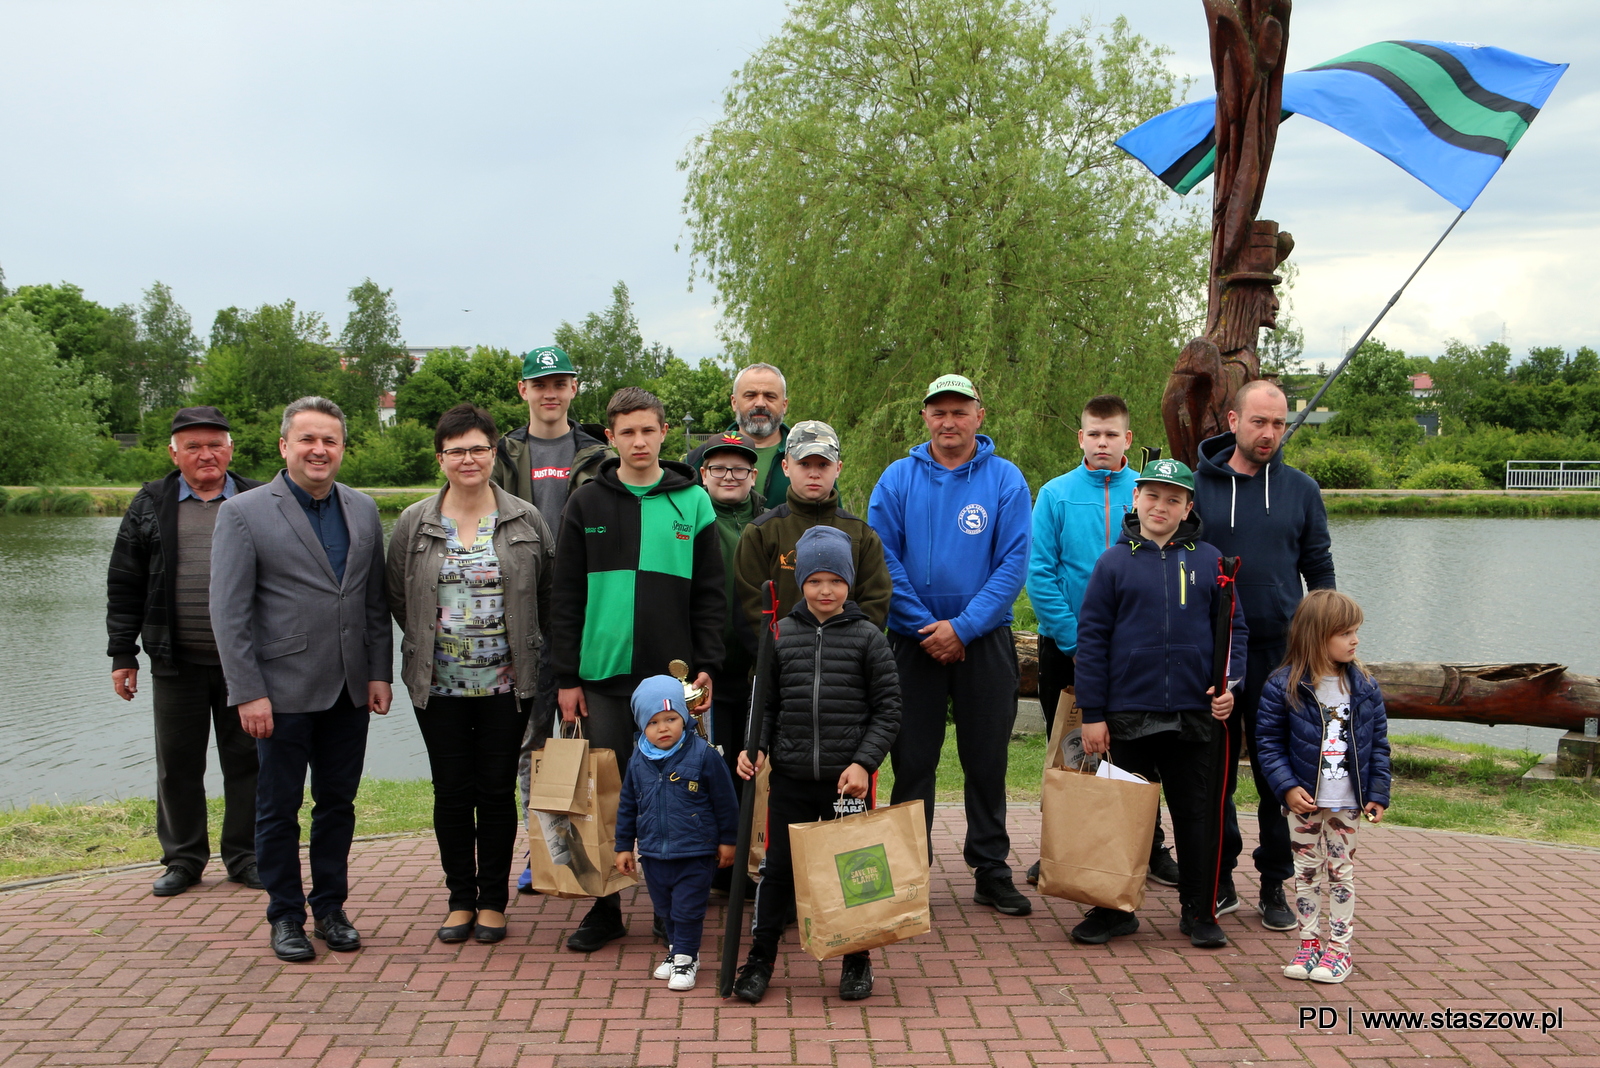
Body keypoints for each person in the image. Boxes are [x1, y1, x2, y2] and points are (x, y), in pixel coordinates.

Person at [210, 396, 393, 963]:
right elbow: (229, 612)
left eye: (330, 441)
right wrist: (248, 691)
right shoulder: (242, 512)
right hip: (279, 692)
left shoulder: (362, 510)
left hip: (349, 688)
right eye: (308, 440)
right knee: (277, 808)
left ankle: (331, 908)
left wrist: (379, 673)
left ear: (342, 448)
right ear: (285, 445)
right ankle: (285, 915)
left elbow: (371, 600)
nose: (319, 450)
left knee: (338, 803)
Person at [549, 386, 725, 952]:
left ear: (663, 432)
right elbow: (566, 594)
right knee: (605, 795)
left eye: (648, 430)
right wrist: (566, 677)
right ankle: (605, 908)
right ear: (610, 438)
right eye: (627, 432)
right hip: (601, 676)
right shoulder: (586, 502)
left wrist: (706, 665)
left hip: (671, 682)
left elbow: (710, 593)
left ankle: (671, 908)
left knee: (679, 794)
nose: (639, 441)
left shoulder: (692, 501)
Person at [388, 403, 555, 944]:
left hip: (510, 687)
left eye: (478, 448)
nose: (468, 459)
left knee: (496, 790)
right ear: (441, 458)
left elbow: (549, 596)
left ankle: (493, 901)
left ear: (493, 454)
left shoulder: (526, 520)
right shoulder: (415, 522)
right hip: (437, 687)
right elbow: (398, 594)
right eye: (456, 450)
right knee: (452, 793)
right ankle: (460, 899)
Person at [867, 373, 1032, 916]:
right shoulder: (896, 479)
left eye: (960, 411)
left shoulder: (1006, 480)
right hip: (912, 641)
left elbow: (1012, 566)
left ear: (979, 416)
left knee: (986, 760)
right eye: (939, 411)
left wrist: (962, 628)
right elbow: (881, 562)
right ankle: (908, 869)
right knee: (913, 760)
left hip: (984, 641)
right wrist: (927, 627)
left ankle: (990, 868)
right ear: (925, 418)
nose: (949, 421)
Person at [1072, 458, 1247, 949]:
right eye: (1152, 496)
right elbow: (1093, 640)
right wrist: (1094, 712)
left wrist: (1229, 684)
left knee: (1198, 816)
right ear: (1136, 499)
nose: (1160, 506)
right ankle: (1113, 909)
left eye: (1173, 499)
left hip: (1195, 713)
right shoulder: (1112, 563)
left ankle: (1199, 909)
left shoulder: (1212, 562)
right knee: (1122, 819)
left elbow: (1236, 631)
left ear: (1188, 507)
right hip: (1127, 714)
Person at [732, 526, 901, 1004]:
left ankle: (856, 961)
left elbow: (888, 709)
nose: (825, 591)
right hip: (790, 777)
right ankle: (759, 960)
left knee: (857, 873)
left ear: (849, 583)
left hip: (847, 784)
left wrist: (864, 763)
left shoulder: (869, 638)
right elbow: (763, 704)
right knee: (778, 871)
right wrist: (757, 747)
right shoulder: (780, 634)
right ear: (800, 583)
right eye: (814, 581)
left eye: (835, 581)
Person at [106, 406, 266, 897]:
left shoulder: (262, 499)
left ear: (230, 449)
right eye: (193, 446)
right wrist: (122, 653)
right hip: (175, 661)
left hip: (248, 664)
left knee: (249, 763)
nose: (206, 454)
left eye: (215, 443)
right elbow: (125, 581)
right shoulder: (150, 503)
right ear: (174, 453)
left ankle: (246, 856)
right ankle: (183, 858)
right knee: (177, 764)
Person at [1195, 380, 1336, 931]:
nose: (1270, 433)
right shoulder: (1199, 488)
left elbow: (1320, 571)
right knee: (1218, 773)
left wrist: (1325, 645)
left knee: (1282, 773)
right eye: (1259, 422)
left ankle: (1274, 881)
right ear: (1234, 420)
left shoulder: (1301, 490)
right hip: (1217, 654)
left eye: (1279, 424)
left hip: (1284, 655)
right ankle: (1221, 874)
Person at [1025, 395, 1177, 888]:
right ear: (1081, 438)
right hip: (1067, 648)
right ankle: (1064, 847)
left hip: (1135, 652)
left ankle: (1147, 847)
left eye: (1112, 434)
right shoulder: (1055, 494)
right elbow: (1040, 573)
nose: (1103, 442)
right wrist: (1075, 639)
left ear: (1127, 439)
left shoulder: (1150, 492)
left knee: (1138, 752)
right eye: (1094, 434)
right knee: (1072, 751)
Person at [490, 344, 610, 895]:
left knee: (594, 737)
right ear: (524, 390)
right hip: (523, 610)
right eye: (540, 383)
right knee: (534, 744)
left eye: (560, 382)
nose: (550, 392)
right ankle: (545, 851)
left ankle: (603, 849)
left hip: (590, 606)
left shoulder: (598, 452)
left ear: (574, 388)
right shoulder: (501, 452)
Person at [1254, 589, 1391, 984]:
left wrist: (1378, 792)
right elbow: (1268, 743)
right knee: (1306, 872)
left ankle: (1339, 949)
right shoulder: (1283, 685)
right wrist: (1285, 788)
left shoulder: (1364, 686)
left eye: (1356, 631)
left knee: (1340, 872)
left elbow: (1379, 744)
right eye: (1346, 632)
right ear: (1317, 636)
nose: (1355, 640)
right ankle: (1309, 943)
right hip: (1304, 803)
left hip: (1347, 803)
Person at [614, 676, 739, 991]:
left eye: (671, 719)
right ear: (643, 725)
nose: (663, 728)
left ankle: (687, 956)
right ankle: (675, 952)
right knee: (665, 907)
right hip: (654, 852)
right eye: (654, 722)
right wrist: (623, 847)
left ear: (685, 718)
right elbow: (628, 805)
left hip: (695, 850)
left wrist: (729, 841)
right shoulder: (638, 760)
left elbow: (726, 802)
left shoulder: (703, 755)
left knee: (688, 907)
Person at [694, 430, 765, 894]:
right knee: (709, 764)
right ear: (704, 474)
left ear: (753, 475)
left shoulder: (769, 520)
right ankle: (713, 860)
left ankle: (752, 859)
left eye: (738, 468)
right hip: (708, 667)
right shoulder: (693, 519)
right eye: (718, 468)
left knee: (752, 759)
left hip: (758, 665)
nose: (728, 476)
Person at [735, 419, 891, 629]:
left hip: (846, 658)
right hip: (778, 656)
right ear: (786, 467)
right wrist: (778, 651)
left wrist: (850, 648)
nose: (814, 473)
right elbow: (749, 605)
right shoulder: (762, 532)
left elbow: (876, 601)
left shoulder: (861, 535)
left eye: (824, 464)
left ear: (838, 468)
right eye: (804, 464)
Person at [686, 362, 793, 502]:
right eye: (750, 395)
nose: (760, 403)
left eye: (770, 396)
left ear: (784, 405)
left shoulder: (807, 459)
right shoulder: (697, 460)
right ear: (734, 402)